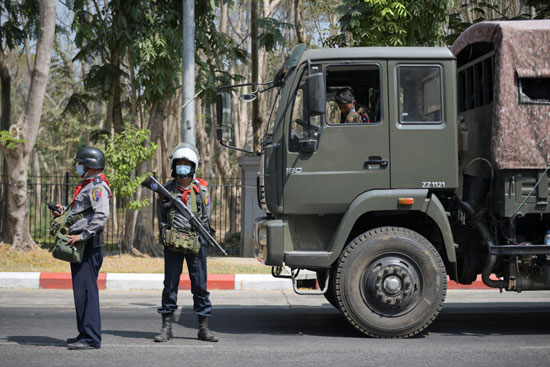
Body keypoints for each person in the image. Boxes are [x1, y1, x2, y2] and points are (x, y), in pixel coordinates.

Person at [154, 143, 218, 343]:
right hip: (173, 244)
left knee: (200, 286)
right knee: (170, 285)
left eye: (186, 164)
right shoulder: (166, 190)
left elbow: (206, 218)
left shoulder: (201, 191)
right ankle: (166, 328)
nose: (183, 167)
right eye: (179, 163)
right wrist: (165, 234)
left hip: (196, 243)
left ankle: (203, 328)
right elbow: (162, 218)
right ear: (174, 166)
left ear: (193, 167)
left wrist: (204, 236)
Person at [52, 147, 111, 350]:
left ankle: (91, 338)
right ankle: (84, 333)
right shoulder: (86, 186)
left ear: (89, 165)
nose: (78, 167)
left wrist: (82, 235)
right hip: (79, 246)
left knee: (87, 292)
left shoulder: (97, 186)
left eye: (81, 163)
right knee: (81, 292)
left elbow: (101, 215)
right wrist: (63, 211)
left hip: (87, 245)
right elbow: (81, 212)